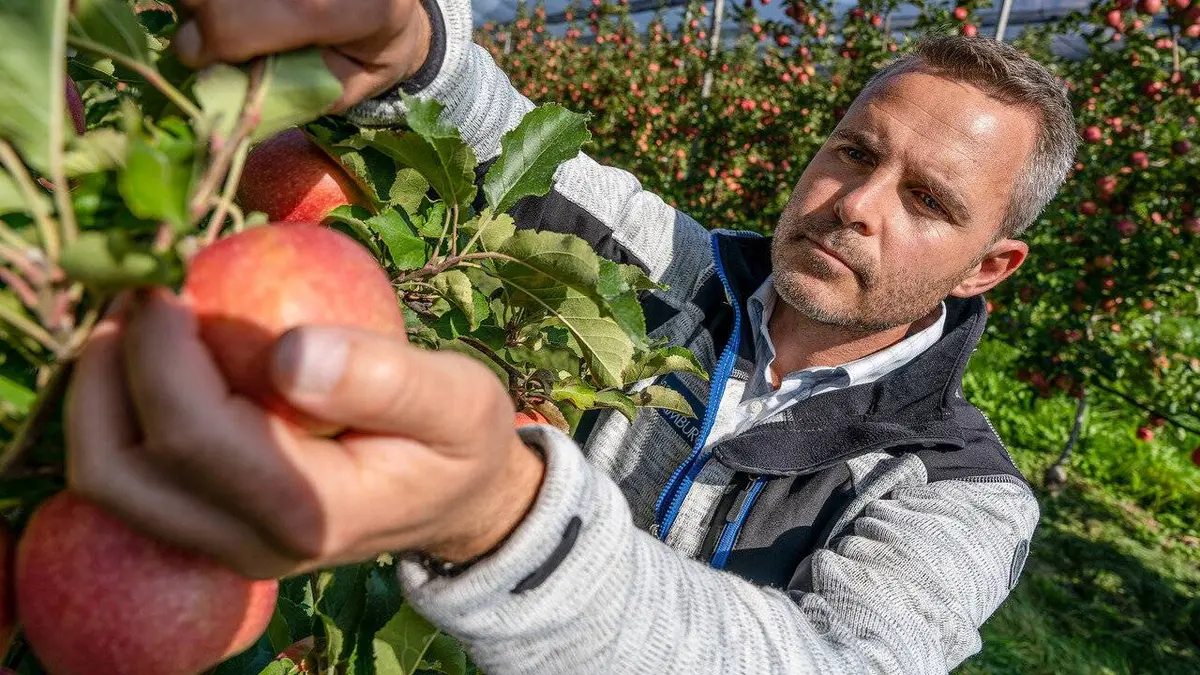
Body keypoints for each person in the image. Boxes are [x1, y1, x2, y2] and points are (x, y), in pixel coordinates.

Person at [67, 0, 1079, 672]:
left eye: (927, 200)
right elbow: (501, 135)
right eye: (853, 152)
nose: (856, 203)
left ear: (988, 266)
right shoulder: (681, 270)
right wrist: (407, 42)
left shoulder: (959, 493)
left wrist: (506, 522)